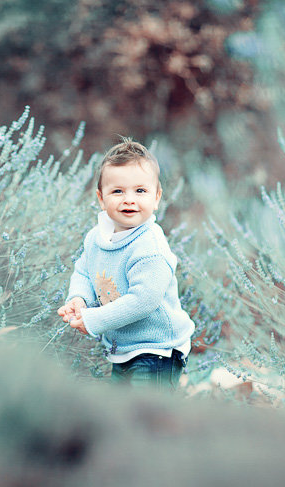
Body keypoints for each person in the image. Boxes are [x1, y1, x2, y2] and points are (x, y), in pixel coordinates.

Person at [57, 137, 195, 390]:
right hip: (123, 346)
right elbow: (84, 271)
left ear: (157, 197)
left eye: (140, 191)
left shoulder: (149, 246)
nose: (129, 199)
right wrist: (79, 299)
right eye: (117, 191)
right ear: (101, 198)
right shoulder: (96, 239)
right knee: (125, 413)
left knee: (147, 417)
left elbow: (144, 301)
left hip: (158, 349)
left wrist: (93, 320)